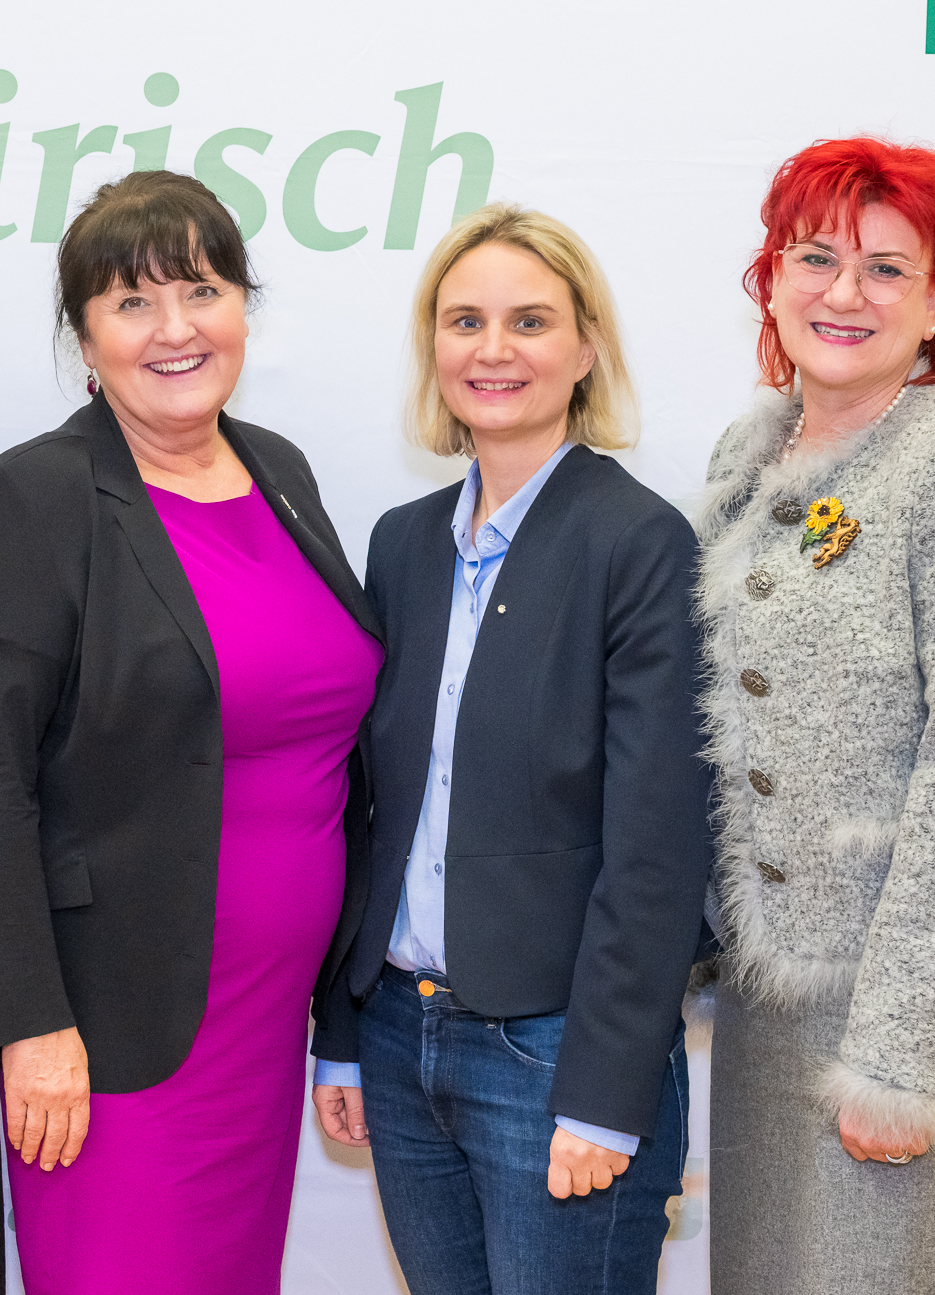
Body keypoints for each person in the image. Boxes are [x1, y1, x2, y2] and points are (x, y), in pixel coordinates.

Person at [0, 169, 383, 1294]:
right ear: (85, 339)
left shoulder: (278, 469)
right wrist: (31, 1024)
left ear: (242, 309)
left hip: (264, 1030)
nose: (176, 328)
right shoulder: (37, 497)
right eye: (132, 302)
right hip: (112, 1038)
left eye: (202, 290)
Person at [694, 137, 935, 1295]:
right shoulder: (745, 451)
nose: (844, 293)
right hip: (778, 982)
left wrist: (903, 1059)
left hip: (921, 988)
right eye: (815, 257)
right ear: (770, 278)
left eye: (885, 268)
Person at [308, 205, 711, 1293]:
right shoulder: (401, 544)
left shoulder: (638, 543)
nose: (493, 350)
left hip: (555, 1056)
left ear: (585, 350)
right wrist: (342, 1029)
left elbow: (658, 846)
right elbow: (369, 809)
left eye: (530, 321)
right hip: (399, 1041)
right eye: (465, 321)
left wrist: (605, 1095)